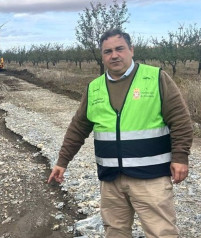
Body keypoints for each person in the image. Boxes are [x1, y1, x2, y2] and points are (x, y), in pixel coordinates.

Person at [47, 28, 193, 237]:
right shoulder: (94, 88)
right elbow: (78, 128)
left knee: (161, 232)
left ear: (131, 50)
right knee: (115, 231)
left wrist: (180, 157)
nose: (114, 55)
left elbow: (180, 120)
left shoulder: (155, 78)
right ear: (102, 56)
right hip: (111, 179)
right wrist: (62, 161)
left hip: (150, 177)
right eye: (108, 51)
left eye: (119, 49)